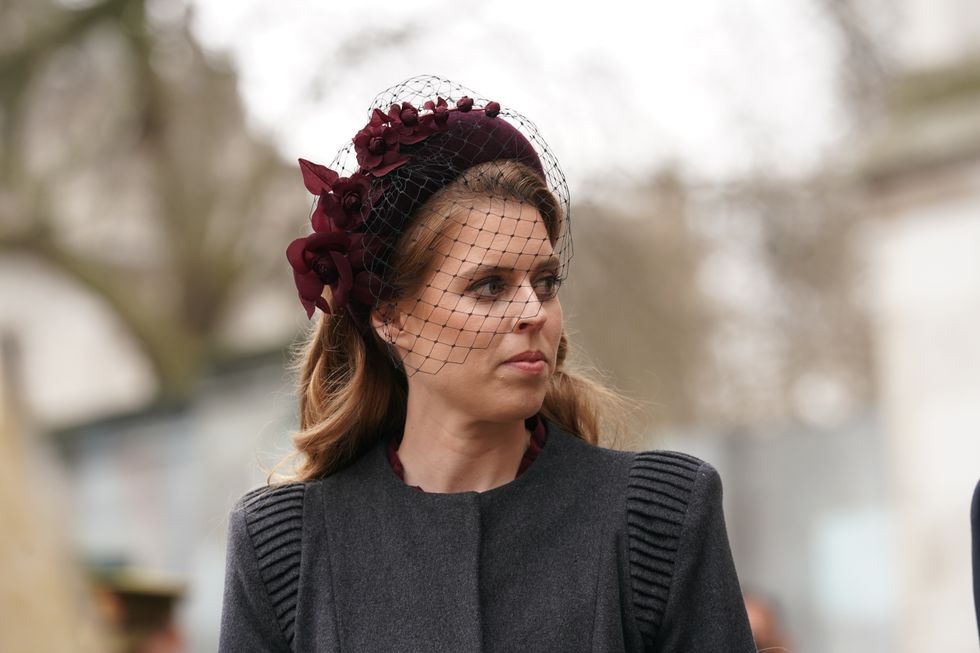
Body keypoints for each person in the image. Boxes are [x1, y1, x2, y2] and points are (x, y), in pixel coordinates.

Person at [219, 75, 756, 652]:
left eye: (546, 282)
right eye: (490, 286)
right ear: (390, 316)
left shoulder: (661, 517)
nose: (534, 312)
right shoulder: (284, 544)